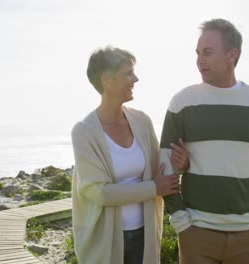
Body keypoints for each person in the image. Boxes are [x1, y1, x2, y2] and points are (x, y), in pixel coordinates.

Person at [159, 18, 249, 264]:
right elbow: (165, 165)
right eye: (197, 52)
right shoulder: (182, 103)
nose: (199, 59)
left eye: (207, 52)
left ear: (232, 54)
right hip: (196, 234)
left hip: (248, 236)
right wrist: (182, 223)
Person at [71, 46, 190, 264]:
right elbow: (99, 193)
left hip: (145, 233)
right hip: (105, 240)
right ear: (107, 80)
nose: (135, 78)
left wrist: (182, 164)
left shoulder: (142, 122)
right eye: (128, 73)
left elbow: (160, 170)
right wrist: (154, 188)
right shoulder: (83, 132)